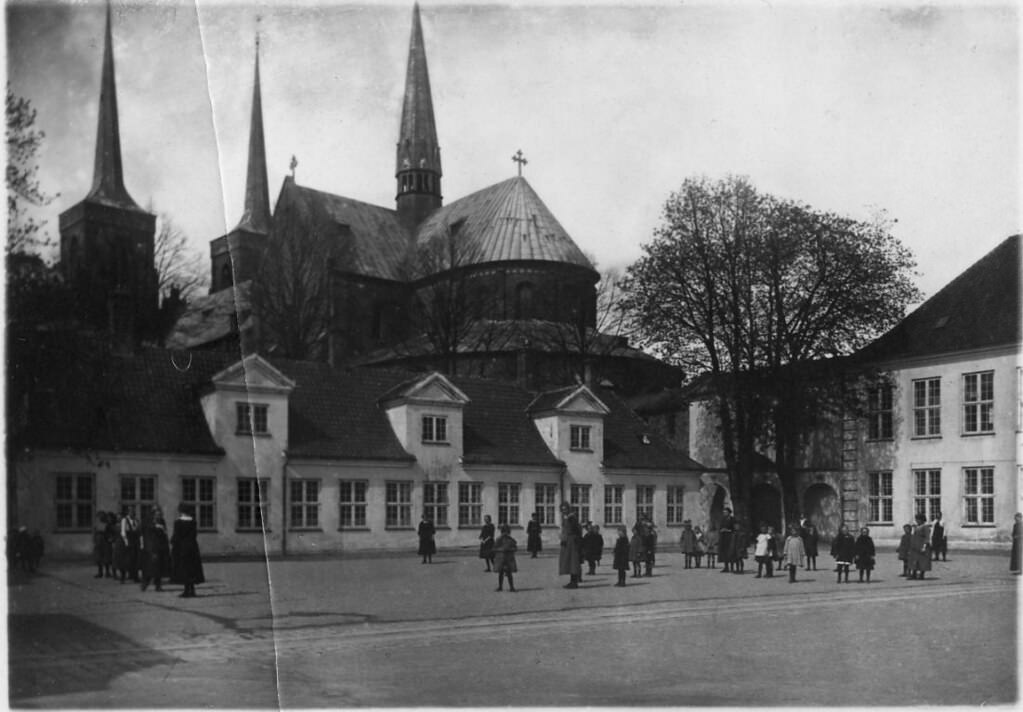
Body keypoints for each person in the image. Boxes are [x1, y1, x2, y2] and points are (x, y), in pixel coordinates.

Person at [171, 504, 205, 598]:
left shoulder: (178, 522)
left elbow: (177, 536)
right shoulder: (193, 521)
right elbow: (194, 535)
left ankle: (186, 591)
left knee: (184, 569)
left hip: (182, 548)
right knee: (192, 568)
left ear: (181, 511)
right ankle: (192, 590)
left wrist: (173, 543)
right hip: (192, 547)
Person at [140, 507, 170, 591]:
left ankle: (158, 585)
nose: (159, 515)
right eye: (157, 514)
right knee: (150, 567)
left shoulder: (162, 521)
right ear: (153, 513)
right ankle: (145, 583)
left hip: (161, 546)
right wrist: (156, 526)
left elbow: (165, 533)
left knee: (159, 566)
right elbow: (145, 534)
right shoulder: (147, 521)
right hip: (151, 547)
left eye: (160, 514)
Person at [558, 502, 583, 588]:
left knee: (573, 561)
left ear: (568, 509)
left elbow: (576, 530)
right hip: (567, 541)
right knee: (569, 561)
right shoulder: (566, 517)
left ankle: (574, 582)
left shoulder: (572, 518)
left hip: (572, 541)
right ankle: (572, 581)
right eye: (562, 510)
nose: (564, 511)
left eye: (565, 509)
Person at [493, 524, 517, 592]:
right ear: (502, 532)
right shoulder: (499, 539)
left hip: (508, 559)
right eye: (504, 531)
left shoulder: (511, 540)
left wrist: (510, 549)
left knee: (509, 573)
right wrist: (501, 549)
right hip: (501, 559)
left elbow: (515, 548)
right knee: (500, 573)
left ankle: (511, 587)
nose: (505, 533)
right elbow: (494, 548)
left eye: (507, 532)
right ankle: (500, 586)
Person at [909, 513, 932, 580]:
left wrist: (924, 546)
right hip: (916, 546)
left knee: (922, 561)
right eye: (916, 519)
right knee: (914, 560)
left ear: (922, 520)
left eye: (918, 519)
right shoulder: (916, 527)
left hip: (922, 545)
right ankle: (914, 574)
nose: (917, 521)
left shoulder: (925, 527)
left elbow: (927, 537)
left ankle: (922, 574)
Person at [121, 506, 141, 583]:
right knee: (126, 560)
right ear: (128, 512)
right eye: (131, 511)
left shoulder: (136, 520)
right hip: (128, 541)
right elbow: (123, 532)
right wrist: (126, 542)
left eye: (133, 511)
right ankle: (123, 577)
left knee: (135, 560)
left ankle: (135, 576)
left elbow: (138, 531)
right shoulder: (124, 520)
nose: (133, 513)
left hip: (135, 541)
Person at [718, 508, 735, 572]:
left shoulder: (732, 519)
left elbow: (734, 528)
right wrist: (721, 530)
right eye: (724, 512)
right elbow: (720, 527)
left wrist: (728, 530)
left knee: (731, 553)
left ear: (729, 513)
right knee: (725, 553)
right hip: (724, 538)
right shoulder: (723, 519)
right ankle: (726, 567)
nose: (724, 513)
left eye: (726, 512)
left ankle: (732, 567)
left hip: (730, 538)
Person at [93, 512, 109, 578]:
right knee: (98, 558)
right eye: (99, 517)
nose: (100, 518)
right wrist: (94, 541)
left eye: (101, 517)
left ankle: (107, 572)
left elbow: (107, 533)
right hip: (98, 543)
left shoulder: (106, 525)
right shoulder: (96, 525)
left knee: (106, 558)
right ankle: (100, 572)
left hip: (105, 543)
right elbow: (94, 533)